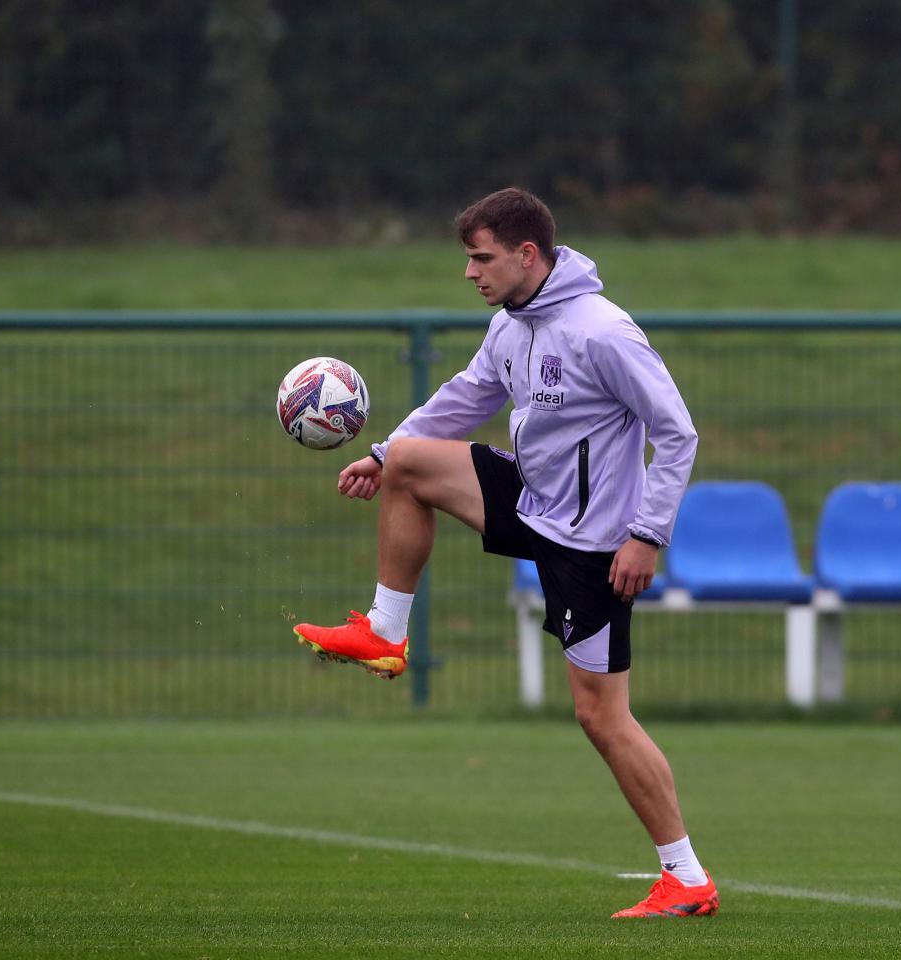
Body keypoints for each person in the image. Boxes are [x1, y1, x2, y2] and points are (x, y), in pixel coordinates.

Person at [292, 187, 715, 919]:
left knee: (602, 718)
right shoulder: (511, 326)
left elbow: (677, 433)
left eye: (480, 258)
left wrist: (648, 534)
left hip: (593, 545)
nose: (469, 273)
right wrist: (385, 453)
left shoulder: (603, 332)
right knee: (410, 465)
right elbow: (465, 395)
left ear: (527, 254)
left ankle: (686, 878)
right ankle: (385, 634)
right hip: (530, 500)